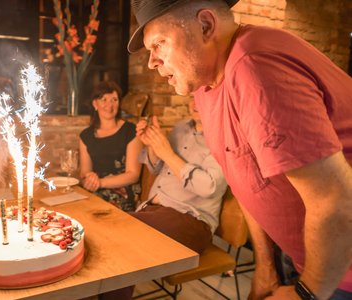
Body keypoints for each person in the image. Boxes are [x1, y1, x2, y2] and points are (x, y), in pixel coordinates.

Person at [128, 0, 352, 299]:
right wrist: (266, 266)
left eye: (159, 43)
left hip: (339, 269)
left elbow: (335, 199)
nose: (151, 62)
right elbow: (246, 181)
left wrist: (308, 291)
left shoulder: (254, 65)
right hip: (302, 255)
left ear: (206, 25)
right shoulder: (206, 84)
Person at [134, 99, 227, 254]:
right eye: (193, 96)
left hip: (192, 220)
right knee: (116, 226)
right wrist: (152, 144)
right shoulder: (180, 127)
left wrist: (168, 154)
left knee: (123, 228)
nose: (195, 102)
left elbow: (210, 187)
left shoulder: (223, 138)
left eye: (201, 97)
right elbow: (156, 167)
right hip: (155, 210)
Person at [79, 81, 142, 212]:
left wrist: (100, 183)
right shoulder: (85, 136)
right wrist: (89, 180)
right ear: (95, 104)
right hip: (95, 190)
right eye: (104, 99)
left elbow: (133, 175)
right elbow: (85, 172)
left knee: (90, 210)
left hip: (123, 193)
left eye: (114, 99)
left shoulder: (131, 131)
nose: (110, 105)